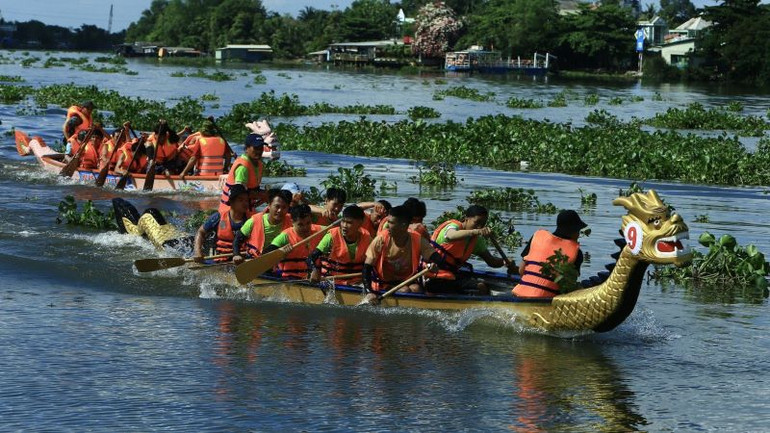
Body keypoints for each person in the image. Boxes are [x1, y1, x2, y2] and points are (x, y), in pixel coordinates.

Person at [426, 205, 517, 295]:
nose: (479, 226)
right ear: (466, 219)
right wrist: (475, 231)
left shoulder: (476, 240)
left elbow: (491, 261)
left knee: (484, 285)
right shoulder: (453, 227)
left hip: (451, 274)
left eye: (483, 224)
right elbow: (451, 235)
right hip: (432, 273)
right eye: (477, 222)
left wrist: (505, 261)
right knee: (481, 287)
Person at [362, 205, 442, 300]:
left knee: (416, 289)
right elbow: (367, 267)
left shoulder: (417, 239)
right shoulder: (381, 239)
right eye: (388, 222)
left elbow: (437, 258)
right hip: (383, 282)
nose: (387, 226)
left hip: (407, 280)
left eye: (391, 223)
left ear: (403, 225)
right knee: (405, 291)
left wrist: (434, 265)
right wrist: (369, 292)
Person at [512, 209, 587, 298]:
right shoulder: (577, 253)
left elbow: (521, 271)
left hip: (518, 295)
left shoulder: (537, 237)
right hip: (545, 301)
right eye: (578, 231)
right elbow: (569, 286)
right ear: (574, 230)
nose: (578, 235)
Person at [308, 205, 373, 286]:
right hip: (332, 282)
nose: (344, 226)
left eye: (349, 222)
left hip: (357, 282)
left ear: (360, 223)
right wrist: (314, 270)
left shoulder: (367, 238)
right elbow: (311, 258)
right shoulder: (331, 236)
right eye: (343, 221)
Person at [232, 189, 293, 264]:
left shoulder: (293, 222)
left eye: (284, 207)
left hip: (279, 263)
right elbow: (237, 240)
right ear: (269, 205)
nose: (280, 210)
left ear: (288, 208)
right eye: (277, 206)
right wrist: (236, 255)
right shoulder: (253, 221)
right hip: (255, 260)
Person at [192, 184, 250, 263]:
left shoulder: (252, 219)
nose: (245, 203)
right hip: (221, 259)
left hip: (244, 260)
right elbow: (201, 232)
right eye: (241, 200)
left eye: (246, 200)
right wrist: (198, 251)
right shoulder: (218, 217)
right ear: (231, 202)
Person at [262, 204, 323, 279]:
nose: (305, 228)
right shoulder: (285, 236)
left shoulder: (320, 230)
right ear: (292, 222)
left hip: (314, 281)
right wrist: (280, 252)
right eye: (300, 225)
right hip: (290, 280)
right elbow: (266, 254)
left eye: (308, 223)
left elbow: (338, 230)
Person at [219, 132, 266, 214]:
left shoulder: (259, 165)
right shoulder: (243, 168)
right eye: (256, 148)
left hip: (246, 208)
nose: (259, 151)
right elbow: (239, 194)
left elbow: (253, 189)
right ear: (246, 148)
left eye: (261, 148)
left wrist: (265, 195)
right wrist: (261, 195)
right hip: (232, 212)